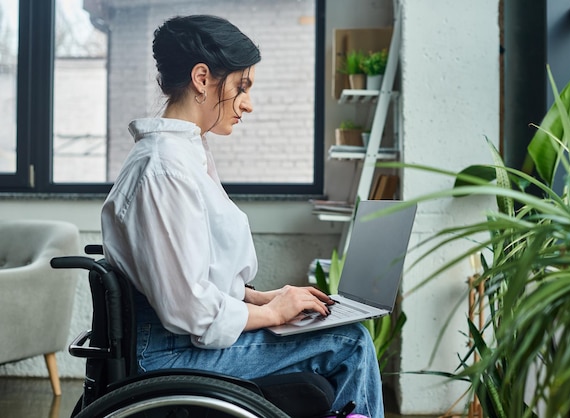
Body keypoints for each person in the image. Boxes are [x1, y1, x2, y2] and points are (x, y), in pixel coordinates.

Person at [101, 15, 384, 417]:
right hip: (170, 353)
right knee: (350, 343)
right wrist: (271, 314)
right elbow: (191, 310)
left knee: (341, 333)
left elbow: (190, 276)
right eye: (241, 87)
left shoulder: (185, 158)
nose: (248, 103)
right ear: (202, 79)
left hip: (180, 342)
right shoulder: (164, 170)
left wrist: (261, 297)